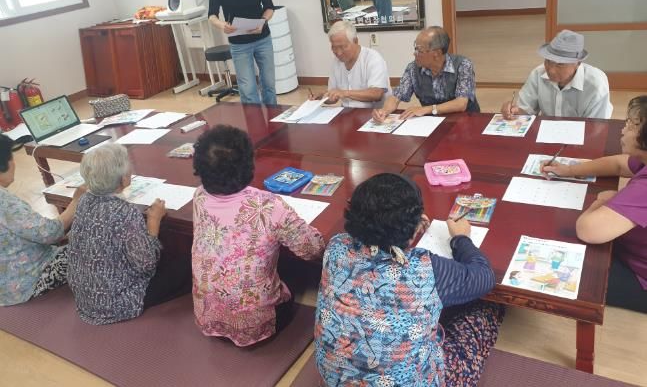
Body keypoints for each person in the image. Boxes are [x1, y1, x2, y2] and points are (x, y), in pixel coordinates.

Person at [315, 173, 504, 386]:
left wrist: (408, 229)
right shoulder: (426, 268)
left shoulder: (336, 246)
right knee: (486, 310)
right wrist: (461, 238)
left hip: (335, 380)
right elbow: (484, 276)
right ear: (412, 226)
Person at [191, 125, 325, 346]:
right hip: (255, 325)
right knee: (296, 271)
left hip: (207, 315)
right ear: (250, 165)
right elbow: (313, 249)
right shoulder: (268, 205)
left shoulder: (199, 196)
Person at [542, 96, 647, 313]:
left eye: (632, 125)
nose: (623, 129)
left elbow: (588, 230)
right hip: (631, 248)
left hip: (638, 275)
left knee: (556, 270)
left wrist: (603, 200)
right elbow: (619, 164)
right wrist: (569, 170)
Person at [68, 143, 190, 325]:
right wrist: (153, 221)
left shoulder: (84, 200)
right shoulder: (124, 212)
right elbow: (147, 264)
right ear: (124, 179)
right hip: (115, 303)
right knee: (187, 263)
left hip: (86, 297)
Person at [0, 134, 83, 306]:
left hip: (6, 282)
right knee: (100, 245)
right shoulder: (4, 203)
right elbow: (50, 234)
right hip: (27, 280)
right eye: (11, 158)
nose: (14, 163)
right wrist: (76, 202)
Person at [208, 0, 277, 105]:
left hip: (262, 38)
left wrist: (262, 22)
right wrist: (222, 25)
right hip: (239, 43)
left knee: (269, 84)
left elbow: (269, 7)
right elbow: (212, 15)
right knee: (247, 90)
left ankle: (274, 118)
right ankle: (254, 122)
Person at [373, 26, 479, 122]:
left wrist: (427, 109)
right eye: (415, 48)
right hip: (430, 122)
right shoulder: (413, 68)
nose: (414, 53)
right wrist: (384, 111)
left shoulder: (463, 65)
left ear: (436, 53)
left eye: (419, 50)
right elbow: (396, 96)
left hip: (464, 120)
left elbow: (461, 103)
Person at [501, 29, 612, 119]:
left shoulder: (596, 85)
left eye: (560, 64)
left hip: (581, 136)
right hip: (545, 133)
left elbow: (596, 127)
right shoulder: (538, 74)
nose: (551, 70)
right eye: (548, 61)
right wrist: (515, 111)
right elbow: (525, 111)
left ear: (578, 63)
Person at [311, 20, 390, 108]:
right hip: (347, 111)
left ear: (355, 41)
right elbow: (334, 97)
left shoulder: (373, 58)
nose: (339, 53)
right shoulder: (337, 62)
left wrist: (345, 93)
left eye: (342, 47)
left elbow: (377, 94)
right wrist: (323, 97)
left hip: (374, 113)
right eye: (334, 47)